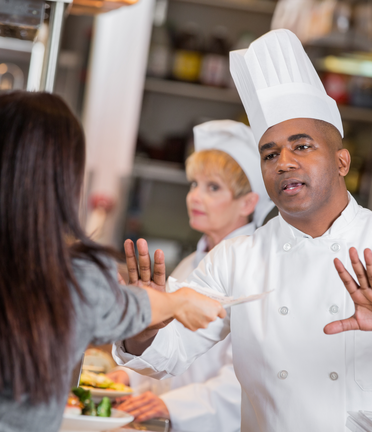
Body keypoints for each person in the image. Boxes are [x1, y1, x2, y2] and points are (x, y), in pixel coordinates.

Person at [112, 29, 372, 432]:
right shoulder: (236, 260)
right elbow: (166, 356)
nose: (283, 162)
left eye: (301, 146)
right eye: (270, 154)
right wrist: (147, 321)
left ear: (341, 161)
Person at [0, 91, 226, 432]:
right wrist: (178, 302)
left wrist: (171, 302)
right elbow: (136, 306)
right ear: (62, 182)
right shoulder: (75, 280)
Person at [108, 120, 275, 431]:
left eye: (212, 187)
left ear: (249, 202)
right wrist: (129, 375)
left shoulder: (258, 271)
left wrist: (173, 406)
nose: (194, 197)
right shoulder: (190, 263)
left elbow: (250, 374)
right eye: (194, 184)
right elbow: (171, 348)